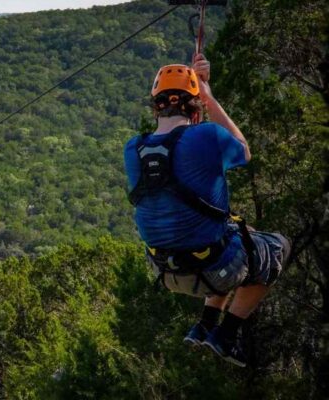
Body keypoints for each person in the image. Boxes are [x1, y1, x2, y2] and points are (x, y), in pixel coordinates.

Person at [123, 54, 290, 367]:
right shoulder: (206, 135)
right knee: (278, 247)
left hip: (166, 270)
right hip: (211, 269)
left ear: (156, 105)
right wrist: (209, 95)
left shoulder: (133, 148)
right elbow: (244, 151)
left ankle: (206, 324)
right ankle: (227, 334)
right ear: (194, 106)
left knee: (240, 234)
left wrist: (199, 94)